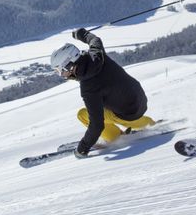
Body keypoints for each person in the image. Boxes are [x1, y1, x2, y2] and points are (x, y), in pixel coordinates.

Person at [48, 28, 156, 158]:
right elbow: (95, 40)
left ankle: (116, 136)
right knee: (105, 103)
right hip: (140, 99)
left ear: (70, 65)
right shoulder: (97, 54)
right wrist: (81, 34)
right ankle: (142, 124)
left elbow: (97, 124)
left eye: (60, 71)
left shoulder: (88, 88)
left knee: (83, 114)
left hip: (128, 114)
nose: (62, 75)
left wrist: (82, 148)